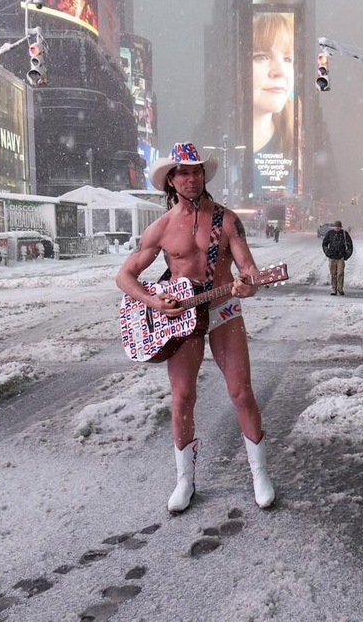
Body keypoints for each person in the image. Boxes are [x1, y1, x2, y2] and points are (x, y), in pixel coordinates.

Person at [116, 142, 274, 513]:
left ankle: (260, 473)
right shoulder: (162, 228)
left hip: (223, 309)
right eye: (183, 172)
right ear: (171, 180)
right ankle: (184, 480)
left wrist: (248, 284)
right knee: (183, 397)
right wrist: (156, 303)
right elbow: (124, 276)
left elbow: (248, 271)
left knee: (241, 392)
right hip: (182, 317)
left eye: (197, 171)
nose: (191, 178)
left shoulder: (227, 219)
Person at [252, 12, 295, 156]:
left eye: (288, 59)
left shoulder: (304, 137)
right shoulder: (211, 140)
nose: (280, 71)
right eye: (262, 57)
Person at [322, 220, 353, 296]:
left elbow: (350, 245)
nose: (337, 228)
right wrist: (327, 253)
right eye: (336, 226)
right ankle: (334, 289)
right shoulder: (330, 234)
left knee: (340, 273)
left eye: (338, 227)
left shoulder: (344, 234)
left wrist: (346, 255)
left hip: (340, 257)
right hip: (332, 257)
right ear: (334, 227)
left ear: (340, 227)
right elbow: (324, 244)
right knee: (333, 273)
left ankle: (340, 288)